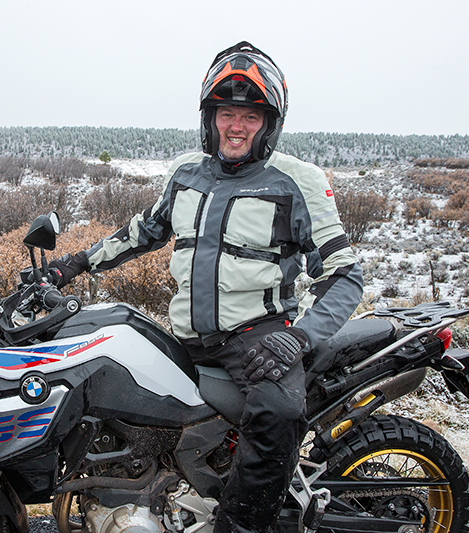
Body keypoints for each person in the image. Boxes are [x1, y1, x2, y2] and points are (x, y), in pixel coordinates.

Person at [50, 41, 363, 533]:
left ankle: (241, 525)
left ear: (269, 125)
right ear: (209, 117)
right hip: (188, 340)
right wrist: (72, 264)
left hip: (258, 339)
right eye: (226, 113)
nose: (235, 126)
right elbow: (142, 232)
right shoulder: (186, 173)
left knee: (276, 412)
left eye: (250, 116)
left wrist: (296, 338)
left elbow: (345, 275)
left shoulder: (296, 182)